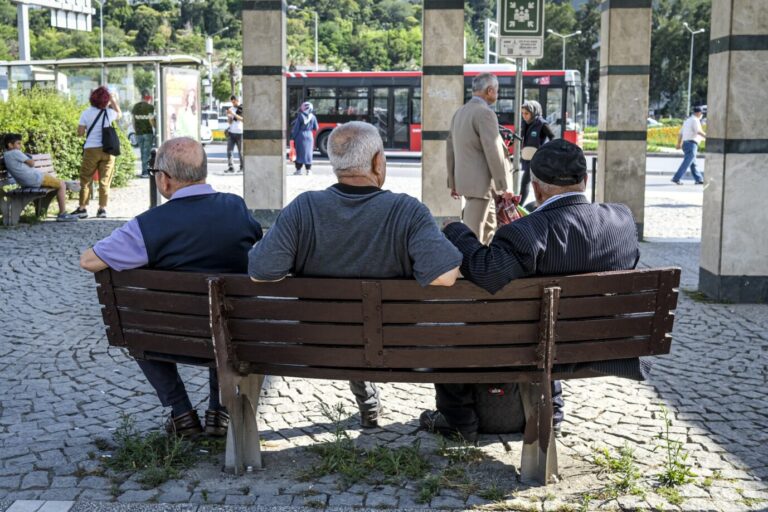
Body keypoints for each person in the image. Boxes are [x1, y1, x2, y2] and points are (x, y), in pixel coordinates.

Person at [421, 139, 640, 443]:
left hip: (535, 347)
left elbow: (485, 271)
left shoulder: (525, 233)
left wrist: (456, 230)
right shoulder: (622, 220)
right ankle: (553, 412)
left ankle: (459, 417)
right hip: (599, 343)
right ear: (585, 181)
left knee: (462, 327)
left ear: (536, 189)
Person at [249, 121, 462, 429]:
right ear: (378, 161)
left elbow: (260, 271)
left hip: (320, 343)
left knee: (350, 323)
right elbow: (444, 276)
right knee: (371, 322)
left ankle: (367, 401)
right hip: (398, 345)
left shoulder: (303, 208)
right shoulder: (407, 211)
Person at [80, 137, 263, 437]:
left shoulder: (148, 225)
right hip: (235, 337)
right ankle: (219, 413)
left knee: (137, 329)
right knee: (223, 320)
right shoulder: (236, 208)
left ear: (164, 180)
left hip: (169, 338)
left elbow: (89, 261)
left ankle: (181, 414)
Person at [446, 72, 511, 245]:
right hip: (481, 187)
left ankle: (486, 268)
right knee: (472, 236)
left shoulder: (459, 113)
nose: (497, 94)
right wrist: (503, 186)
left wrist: (453, 182)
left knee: (488, 232)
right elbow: (493, 150)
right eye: (497, 90)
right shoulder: (485, 113)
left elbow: (450, 149)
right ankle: (468, 271)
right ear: (490, 90)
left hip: (468, 185)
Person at [2, 133, 80, 222]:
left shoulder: (7, 155)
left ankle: (67, 183)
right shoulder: (15, 152)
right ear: (10, 145)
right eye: (18, 143)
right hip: (34, 179)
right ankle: (63, 214)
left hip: (27, 181)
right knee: (61, 185)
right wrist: (27, 158)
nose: (20, 146)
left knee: (52, 178)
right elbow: (32, 163)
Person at [71, 86, 122, 219]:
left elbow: (80, 133)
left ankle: (82, 208)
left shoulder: (86, 113)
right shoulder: (109, 113)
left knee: (86, 179)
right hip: (108, 149)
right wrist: (113, 100)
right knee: (105, 180)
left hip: (91, 150)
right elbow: (119, 114)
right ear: (106, 100)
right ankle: (102, 209)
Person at [518, 100, 555, 206]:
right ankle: (539, 205)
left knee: (526, 182)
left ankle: (520, 207)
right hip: (527, 158)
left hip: (538, 160)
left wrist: (545, 151)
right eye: (523, 113)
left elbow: (552, 137)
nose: (524, 116)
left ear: (534, 112)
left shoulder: (542, 124)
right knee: (534, 183)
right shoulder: (525, 124)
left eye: (526, 113)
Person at [672, 106, 706, 185]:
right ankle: (676, 178)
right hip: (691, 144)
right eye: (701, 113)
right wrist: (708, 137)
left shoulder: (687, 120)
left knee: (693, 163)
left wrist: (679, 143)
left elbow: (680, 133)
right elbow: (698, 131)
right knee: (687, 162)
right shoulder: (695, 120)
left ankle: (699, 179)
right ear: (698, 113)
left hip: (686, 144)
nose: (702, 115)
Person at [132, 90, 155, 177]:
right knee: (147, 153)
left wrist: (136, 131)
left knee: (142, 152)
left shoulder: (136, 107)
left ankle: (143, 170)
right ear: (148, 97)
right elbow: (151, 119)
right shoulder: (150, 107)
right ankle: (145, 172)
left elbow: (133, 121)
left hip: (139, 133)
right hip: (147, 132)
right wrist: (156, 127)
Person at [290, 101, 318, 175]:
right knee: (308, 153)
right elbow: (316, 128)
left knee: (299, 153)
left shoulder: (300, 116)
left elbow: (296, 128)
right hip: (309, 136)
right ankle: (308, 170)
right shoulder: (313, 117)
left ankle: (298, 170)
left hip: (300, 136)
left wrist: (292, 137)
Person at [226, 95, 243, 173]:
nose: (233, 103)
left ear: (237, 100)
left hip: (240, 133)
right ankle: (231, 167)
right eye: (232, 102)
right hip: (231, 132)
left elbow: (242, 119)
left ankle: (242, 167)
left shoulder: (241, 108)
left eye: (234, 101)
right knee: (229, 151)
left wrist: (233, 113)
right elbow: (229, 122)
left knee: (241, 151)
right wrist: (229, 116)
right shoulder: (231, 109)